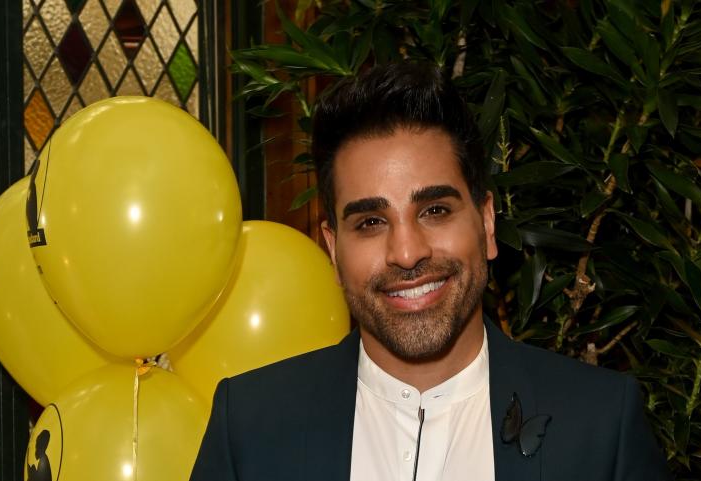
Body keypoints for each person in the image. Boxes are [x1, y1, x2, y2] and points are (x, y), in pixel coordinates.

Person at [190, 62, 671, 481]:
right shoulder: (250, 427)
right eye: (371, 222)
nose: (406, 251)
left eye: (435, 211)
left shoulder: (601, 426)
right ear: (333, 250)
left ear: (485, 223)